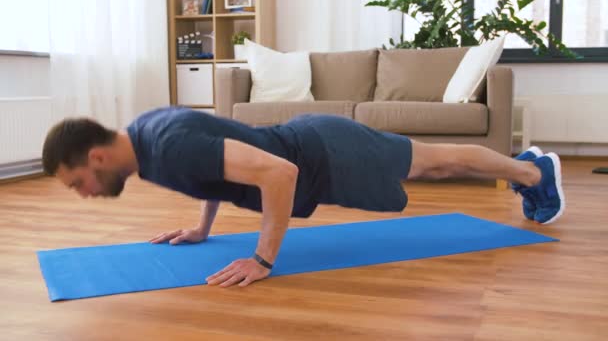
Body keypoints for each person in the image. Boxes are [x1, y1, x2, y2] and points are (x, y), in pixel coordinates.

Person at [42, 106, 564, 288]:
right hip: (313, 140)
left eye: (76, 184)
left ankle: (534, 172)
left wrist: (264, 257)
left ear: (95, 159)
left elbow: (279, 174)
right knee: (433, 160)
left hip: (324, 150)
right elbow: (214, 166)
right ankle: (528, 170)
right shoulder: (143, 140)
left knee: (436, 162)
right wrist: (204, 229)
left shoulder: (165, 147)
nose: (84, 195)